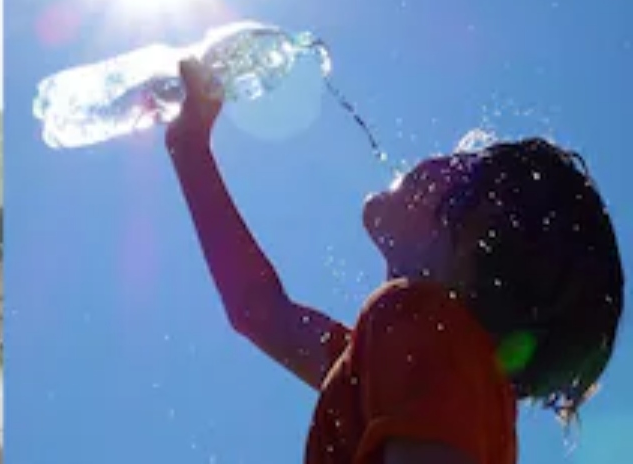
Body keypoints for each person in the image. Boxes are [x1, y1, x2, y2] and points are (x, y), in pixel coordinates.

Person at [165, 58, 624, 464]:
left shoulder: (424, 327)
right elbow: (259, 311)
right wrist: (190, 148)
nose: (436, 161)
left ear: (475, 244)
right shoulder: (414, 366)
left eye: (463, 168)